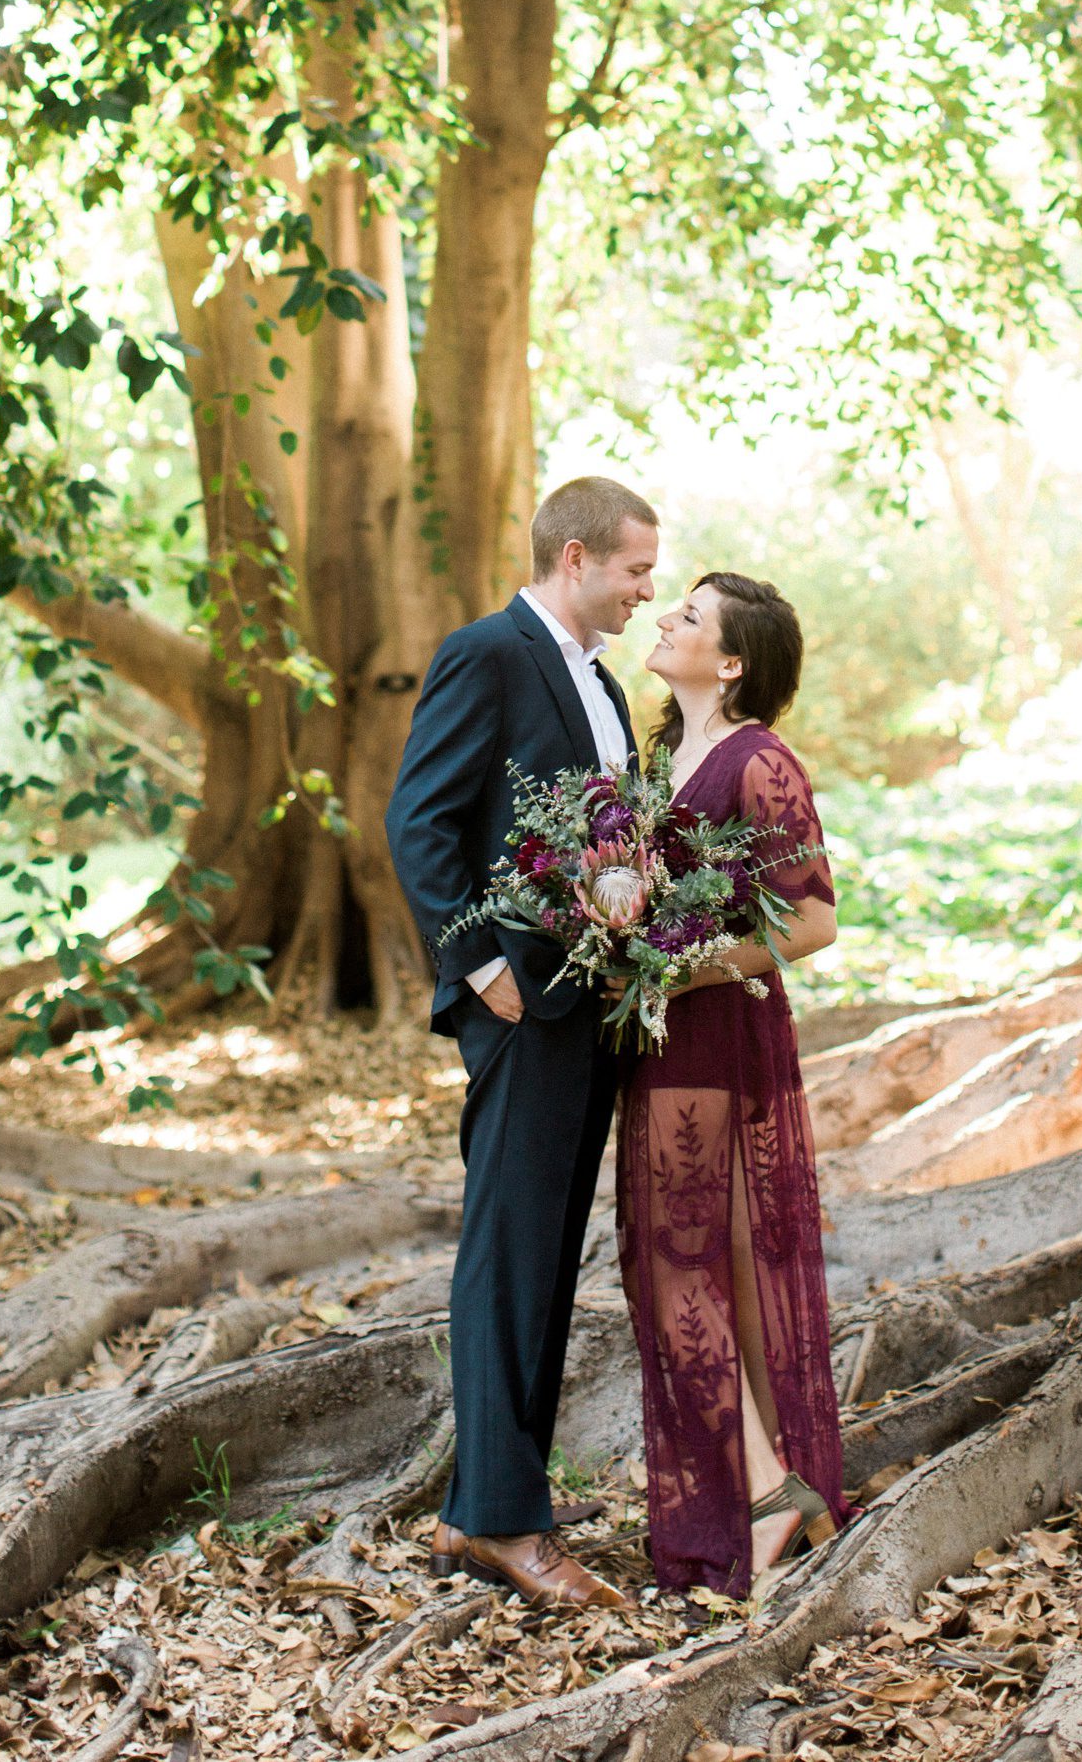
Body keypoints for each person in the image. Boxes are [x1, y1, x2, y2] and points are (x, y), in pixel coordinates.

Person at [385, 474, 660, 1610]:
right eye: (636, 570)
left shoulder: (604, 683)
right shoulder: (487, 654)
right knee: (508, 1256)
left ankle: (493, 1500)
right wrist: (478, 967)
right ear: (575, 558)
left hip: (587, 1007)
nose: (647, 591)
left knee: (545, 1259)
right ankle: (503, 1523)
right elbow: (419, 821)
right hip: (519, 1005)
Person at [618, 571, 847, 1596]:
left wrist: (682, 969)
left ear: (732, 661)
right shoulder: (661, 757)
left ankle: (764, 1493)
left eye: (689, 616)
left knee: (678, 1269)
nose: (665, 618)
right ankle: (782, 1484)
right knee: (708, 1267)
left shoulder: (760, 761)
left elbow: (811, 921)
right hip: (661, 1037)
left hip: (716, 1034)